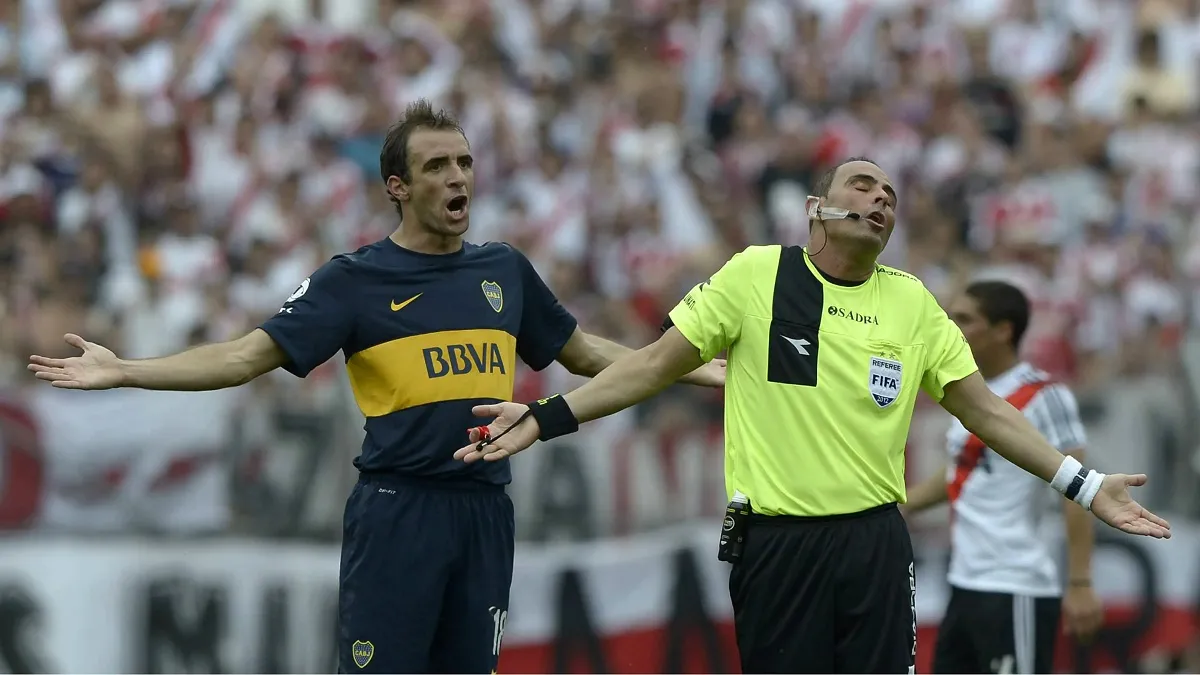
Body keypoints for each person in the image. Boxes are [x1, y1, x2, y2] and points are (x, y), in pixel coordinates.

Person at [26, 99, 725, 674]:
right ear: (397, 186)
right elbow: (243, 358)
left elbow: (585, 351)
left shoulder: (504, 269)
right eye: (437, 166)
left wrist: (691, 364)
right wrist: (127, 370)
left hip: (485, 513)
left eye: (464, 163)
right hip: (399, 514)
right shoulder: (355, 280)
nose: (458, 179)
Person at [451, 157, 1171, 674]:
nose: (881, 197)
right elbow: (650, 365)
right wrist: (546, 416)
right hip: (777, 546)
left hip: (876, 547)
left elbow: (986, 410)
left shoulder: (913, 302)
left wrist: (1083, 482)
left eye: (891, 192)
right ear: (817, 207)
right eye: (862, 184)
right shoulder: (754, 275)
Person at [902, 280, 1104, 674]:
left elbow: (1076, 490)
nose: (951, 326)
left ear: (1003, 330)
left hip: (1015, 585)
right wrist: (900, 506)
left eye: (964, 318)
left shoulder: (1044, 395)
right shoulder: (969, 393)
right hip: (965, 582)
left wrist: (1080, 583)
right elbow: (962, 473)